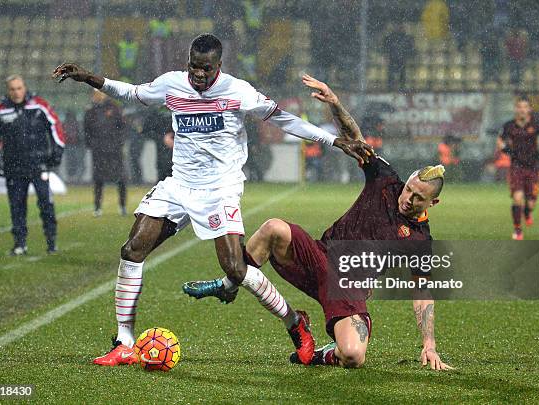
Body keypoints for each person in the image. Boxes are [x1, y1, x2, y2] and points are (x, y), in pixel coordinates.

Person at [52, 33, 373, 367]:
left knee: (235, 269)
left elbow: (281, 118)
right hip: (179, 184)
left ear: (219, 66)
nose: (198, 75)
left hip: (219, 188)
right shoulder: (173, 85)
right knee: (132, 250)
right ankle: (125, 342)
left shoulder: (237, 91)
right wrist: (88, 76)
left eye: (206, 69)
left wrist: (334, 141)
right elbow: (133, 92)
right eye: (193, 67)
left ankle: (296, 324)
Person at [184, 75, 453, 370]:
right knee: (274, 227)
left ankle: (319, 354)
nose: (408, 198)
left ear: (432, 203)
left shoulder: (420, 240)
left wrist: (429, 344)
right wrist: (335, 103)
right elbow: (355, 138)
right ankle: (229, 285)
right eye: (409, 189)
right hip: (319, 257)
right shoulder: (386, 180)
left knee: (353, 356)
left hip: (349, 286)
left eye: (418, 198)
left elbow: (423, 293)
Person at [0, 75, 64, 255]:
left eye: (19, 88)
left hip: (39, 164)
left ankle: (51, 242)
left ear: (24, 87)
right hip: (14, 166)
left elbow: (56, 127)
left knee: (46, 204)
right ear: (8, 90)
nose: (16, 92)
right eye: (12, 89)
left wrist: (57, 152)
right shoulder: (1, 111)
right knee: (17, 206)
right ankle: (20, 244)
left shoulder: (39, 105)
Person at [497, 96, 539, 240]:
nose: (522, 110)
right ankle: (517, 230)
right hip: (516, 166)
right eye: (519, 107)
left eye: (525, 107)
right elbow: (500, 140)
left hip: (533, 166)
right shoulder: (509, 125)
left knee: (531, 202)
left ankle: (527, 212)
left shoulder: (536, 123)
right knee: (517, 198)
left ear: (529, 109)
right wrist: (505, 149)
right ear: (516, 109)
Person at [83, 90, 128, 217]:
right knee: (98, 179)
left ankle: (122, 206)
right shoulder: (90, 111)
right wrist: (92, 145)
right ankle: (97, 207)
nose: (98, 95)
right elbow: (86, 130)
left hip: (114, 150)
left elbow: (123, 127)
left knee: (121, 178)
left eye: (100, 92)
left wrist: (119, 143)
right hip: (98, 151)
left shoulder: (115, 108)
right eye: (96, 93)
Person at [383, 24, 414, 90]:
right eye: (397, 27)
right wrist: (386, 55)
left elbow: (411, 49)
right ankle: (391, 87)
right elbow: (385, 48)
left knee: (402, 72)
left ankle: (401, 86)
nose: (399, 28)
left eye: (400, 27)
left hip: (401, 59)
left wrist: (407, 55)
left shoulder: (406, 38)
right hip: (393, 58)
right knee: (391, 73)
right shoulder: (390, 38)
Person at [62, 109, 84, 183]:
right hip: (71, 145)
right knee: (72, 162)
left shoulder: (69, 124)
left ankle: (73, 177)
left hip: (73, 145)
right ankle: (73, 177)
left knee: (72, 162)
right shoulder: (74, 123)